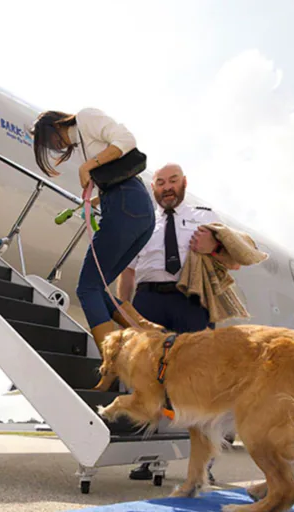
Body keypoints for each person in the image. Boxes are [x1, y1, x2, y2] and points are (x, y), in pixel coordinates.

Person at [116, 162, 236, 482]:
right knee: (146, 381)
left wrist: (214, 246)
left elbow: (233, 258)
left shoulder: (205, 216)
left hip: (190, 302)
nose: (166, 187)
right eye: (160, 182)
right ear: (152, 188)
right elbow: (127, 272)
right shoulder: (140, 223)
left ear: (184, 183)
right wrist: (125, 315)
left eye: (172, 181)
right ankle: (147, 456)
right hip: (147, 301)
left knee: (199, 383)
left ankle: (204, 463)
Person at [29, 108, 155, 345]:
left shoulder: (86, 118)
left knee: (86, 288)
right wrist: (95, 198)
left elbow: (127, 140)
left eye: (48, 141)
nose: (54, 147)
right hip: (135, 210)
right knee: (98, 288)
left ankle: (112, 362)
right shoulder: (82, 144)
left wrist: (88, 167)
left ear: (55, 125)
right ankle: (150, 337)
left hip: (125, 204)